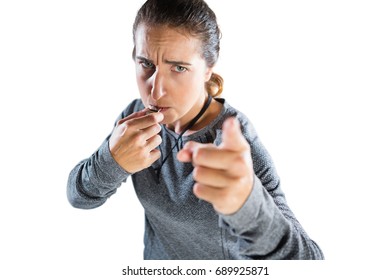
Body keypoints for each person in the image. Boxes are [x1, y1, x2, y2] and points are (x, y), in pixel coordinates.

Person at [67, 0, 324, 260]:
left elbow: (309, 263)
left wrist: (250, 206)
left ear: (207, 70)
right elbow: (79, 198)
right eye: (146, 64)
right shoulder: (134, 118)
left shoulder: (235, 145)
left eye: (178, 68)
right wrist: (110, 161)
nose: (155, 91)